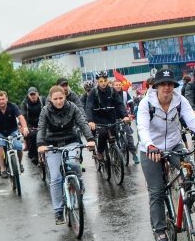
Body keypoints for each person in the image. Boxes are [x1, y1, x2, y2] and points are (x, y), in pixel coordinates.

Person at [137, 68, 195, 241]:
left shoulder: (180, 101)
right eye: (162, 84)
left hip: (173, 145)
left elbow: (192, 121)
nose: (166, 87)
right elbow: (142, 128)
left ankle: (188, 200)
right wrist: (150, 146)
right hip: (151, 149)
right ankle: (161, 231)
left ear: (174, 86)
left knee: (189, 171)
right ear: (156, 87)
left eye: (170, 84)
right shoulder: (146, 104)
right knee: (156, 191)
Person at [36, 85, 95, 225]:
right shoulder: (45, 111)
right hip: (52, 145)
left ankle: (79, 183)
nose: (58, 101)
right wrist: (40, 145)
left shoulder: (72, 107)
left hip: (70, 141)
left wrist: (90, 139)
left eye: (61, 98)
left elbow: (82, 123)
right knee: (55, 178)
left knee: (74, 164)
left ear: (65, 97)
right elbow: (41, 128)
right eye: (55, 99)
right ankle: (58, 212)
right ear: (50, 99)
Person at [85, 70, 132, 161]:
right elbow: (88, 107)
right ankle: (99, 152)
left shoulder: (112, 90)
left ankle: (114, 151)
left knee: (114, 137)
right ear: (97, 81)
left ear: (107, 80)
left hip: (111, 118)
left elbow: (119, 104)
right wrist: (90, 121)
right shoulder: (93, 92)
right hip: (98, 120)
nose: (103, 83)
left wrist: (125, 115)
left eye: (105, 80)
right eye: (101, 81)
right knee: (103, 133)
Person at [0, 91, 29, 178]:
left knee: (18, 146)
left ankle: (20, 163)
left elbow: (20, 117)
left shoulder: (12, 106)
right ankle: (3, 169)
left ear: (7, 99)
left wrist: (24, 127)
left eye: (3, 99)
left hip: (12, 131)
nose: (1, 101)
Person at [20, 87, 44, 165]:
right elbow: (23, 116)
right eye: (31, 95)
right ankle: (33, 155)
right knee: (33, 135)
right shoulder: (24, 103)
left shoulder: (42, 101)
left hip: (42, 122)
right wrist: (25, 127)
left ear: (38, 94)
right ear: (28, 95)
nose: (33, 96)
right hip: (30, 124)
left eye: (34, 94)